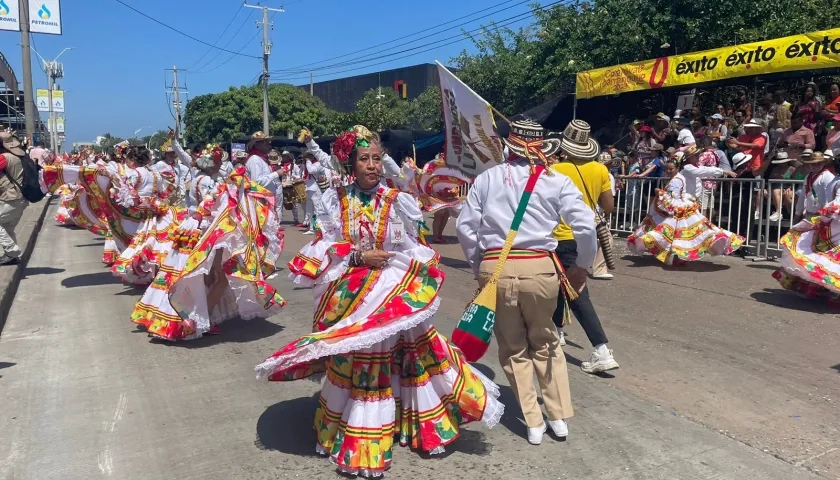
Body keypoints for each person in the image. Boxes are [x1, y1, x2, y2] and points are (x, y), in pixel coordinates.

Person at [257, 125, 502, 475]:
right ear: (350, 165)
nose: (372, 165)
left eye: (376, 158)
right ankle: (361, 434)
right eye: (364, 159)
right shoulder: (334, 201)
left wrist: (403, 264)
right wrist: (358, 258)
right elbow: (324, 245)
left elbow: (412, 245)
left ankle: (408, 425)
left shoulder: (397, 200)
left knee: (407, 356)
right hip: (353, 294)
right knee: (361, 361)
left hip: (392, 292)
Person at [455, 119, 594, 445]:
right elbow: (586, 225)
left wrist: (480, 266)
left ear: (509, 146)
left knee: (514, 346)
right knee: (546, 342)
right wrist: (583, 267)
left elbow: (465, 227)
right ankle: (557, 418)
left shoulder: (487, 179)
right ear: (542, 147)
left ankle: (532, 422)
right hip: (540, 268)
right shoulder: (555, 180)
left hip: (497, 267)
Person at [547, 120, 619, 375]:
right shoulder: (600, 170)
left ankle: (601, 349)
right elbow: (608, 207)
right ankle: (557, 331)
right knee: (562, 285)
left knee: (576, 292)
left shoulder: (554, 169)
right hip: (585, 235)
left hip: (560, 235)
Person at [628, 147, 743, 266]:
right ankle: (676, 256)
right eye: (667, 169)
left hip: (682, 207)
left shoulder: (681, 175)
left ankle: (676, 256)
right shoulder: (685, 171)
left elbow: (674, 196)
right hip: (681, 207)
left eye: (671, 169)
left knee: (684, 234)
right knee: (680, 234)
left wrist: (663, 195)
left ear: (677, 168)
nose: (668, 171)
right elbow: (674, 196)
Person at [773, 151, 840, 300]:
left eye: (818, 163)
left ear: (824, 164)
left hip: (824, 218)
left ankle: (822, 285)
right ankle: (812, 284)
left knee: (817, 253)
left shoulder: (829, 177)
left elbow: (832, 198)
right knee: (809, 250)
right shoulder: (809, 177)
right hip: (813, 215)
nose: (816, 166)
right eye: (813, 163)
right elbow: (804, 195)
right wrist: (798, 213)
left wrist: (825, 215)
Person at [0, 129, 29, 265]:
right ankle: (11, 256)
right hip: (21, 198)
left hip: (11, 198)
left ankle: (13, 252)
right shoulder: (19, 157)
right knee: (7, 226)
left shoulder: (4, 158)